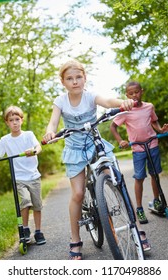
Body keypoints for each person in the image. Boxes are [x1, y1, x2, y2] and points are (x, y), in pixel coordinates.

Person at [42, 59, 150, 260]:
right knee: (78, 193)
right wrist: (50, 133)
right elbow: (53, 123)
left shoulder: (90, 96)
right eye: (70, 78)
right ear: (63, 82)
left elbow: (109, 102)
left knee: (116, 182)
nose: (75, 81)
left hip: (95, 144)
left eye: (78, 77)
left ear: (85, 78)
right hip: (75, 149)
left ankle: (137, 230)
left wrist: (122, 102)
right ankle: (75, 240)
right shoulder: (60, 101)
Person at [110, 81, 168, 224]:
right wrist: (120, 141)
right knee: (139, 177)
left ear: (141, 91)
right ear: (126, 96)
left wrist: (160, 130)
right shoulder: (125, 111)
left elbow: (154, 121)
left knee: (154, 174)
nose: (134, 96)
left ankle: (156, 200)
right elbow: (113, 127)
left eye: (136, 92)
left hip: (152, 144)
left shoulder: (149, 107)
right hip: (137, 148)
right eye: (130, 94)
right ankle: (139, 208)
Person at [0, 105, 46, 245]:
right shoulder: (5, 140)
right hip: (19, 178)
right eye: (11, 120)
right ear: (7, 123)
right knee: (25, 201)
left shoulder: (28, 135)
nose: (14, 122)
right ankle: (25, 230)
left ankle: (38, 231)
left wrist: (34, 151)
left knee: (37, 205)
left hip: (33, 176)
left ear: (22, 120)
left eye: (17, 119)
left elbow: (39, 147)